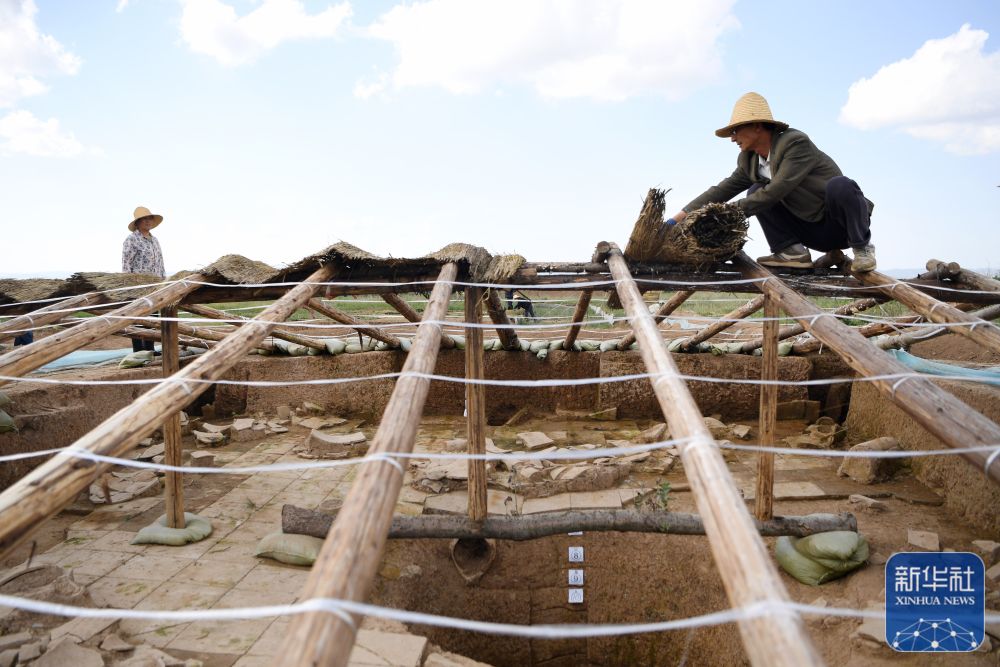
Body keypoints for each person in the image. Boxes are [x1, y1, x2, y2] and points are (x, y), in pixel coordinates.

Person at [667, 92, 876, 272]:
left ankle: (862, 249)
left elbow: (777, 190)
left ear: (757, 126)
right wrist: (675, 221)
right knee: (756, 189)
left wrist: (721, 215)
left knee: (841, 185)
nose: (732, 138)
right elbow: (720, 191)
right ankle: (792, 253)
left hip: (840, 227)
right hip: (809, 231)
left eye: (736, 131)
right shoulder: (749, 160)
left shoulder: (795, 143)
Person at [122, 206, 166, 354]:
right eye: (144, 219)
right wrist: (129, 286)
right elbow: (126, 264)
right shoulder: (131, 239)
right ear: (138, 222)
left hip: (154, 286)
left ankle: (150, 350)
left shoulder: (155, 240)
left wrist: (163, 282)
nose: (148, 221)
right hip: (138, 286)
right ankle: (138, 352)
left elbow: (160, 263)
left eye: (150, 219)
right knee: (137, 318)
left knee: (152, 318)